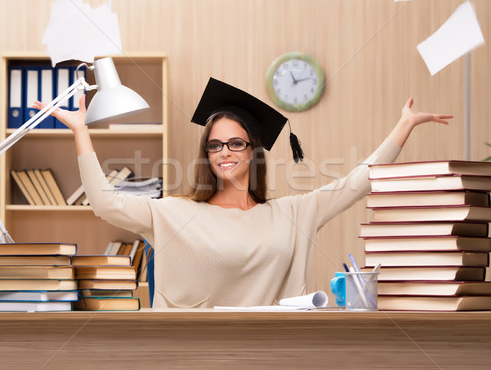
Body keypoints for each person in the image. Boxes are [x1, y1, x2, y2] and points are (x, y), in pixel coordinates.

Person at [33, 77, 452, 308]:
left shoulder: (293, 212)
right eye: (215, 145)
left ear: (254, 151)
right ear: (206, 154)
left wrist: (404, 127)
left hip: (266, 350)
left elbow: (357, 182)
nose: (225, 153)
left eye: (236, 143)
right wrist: (81, 133)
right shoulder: (172, 212)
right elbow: (105, 204)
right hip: (186, 355)